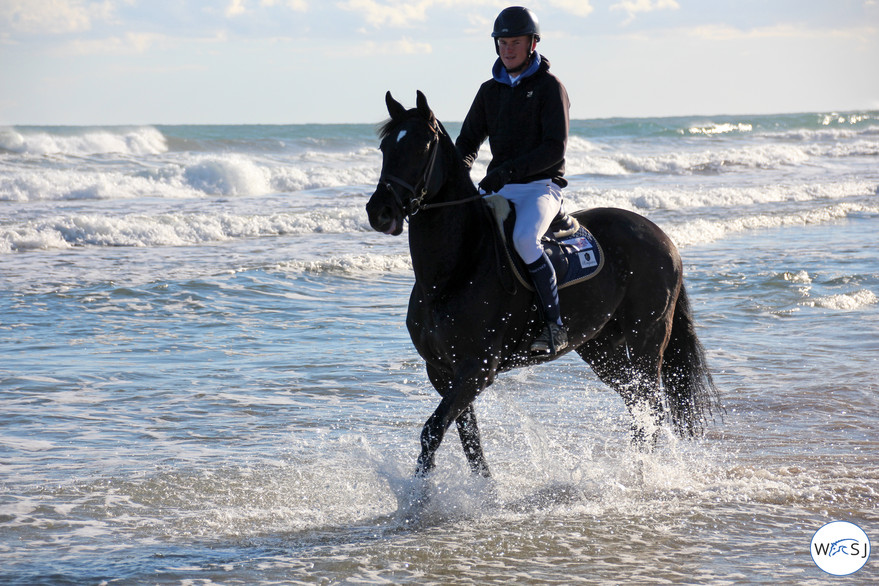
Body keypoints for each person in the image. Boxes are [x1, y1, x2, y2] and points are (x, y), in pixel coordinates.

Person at [455, 6, 571, 355]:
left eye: (515, 42)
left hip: (540, 187)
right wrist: (459, 172)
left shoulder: (551, 88)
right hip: (500, 189)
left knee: (523, 239)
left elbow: (554, 148)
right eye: (502, 42)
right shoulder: (489, 91)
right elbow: (467, 142)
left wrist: (506, 172)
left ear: (532, 44)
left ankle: (555, 327)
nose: (508, 49)